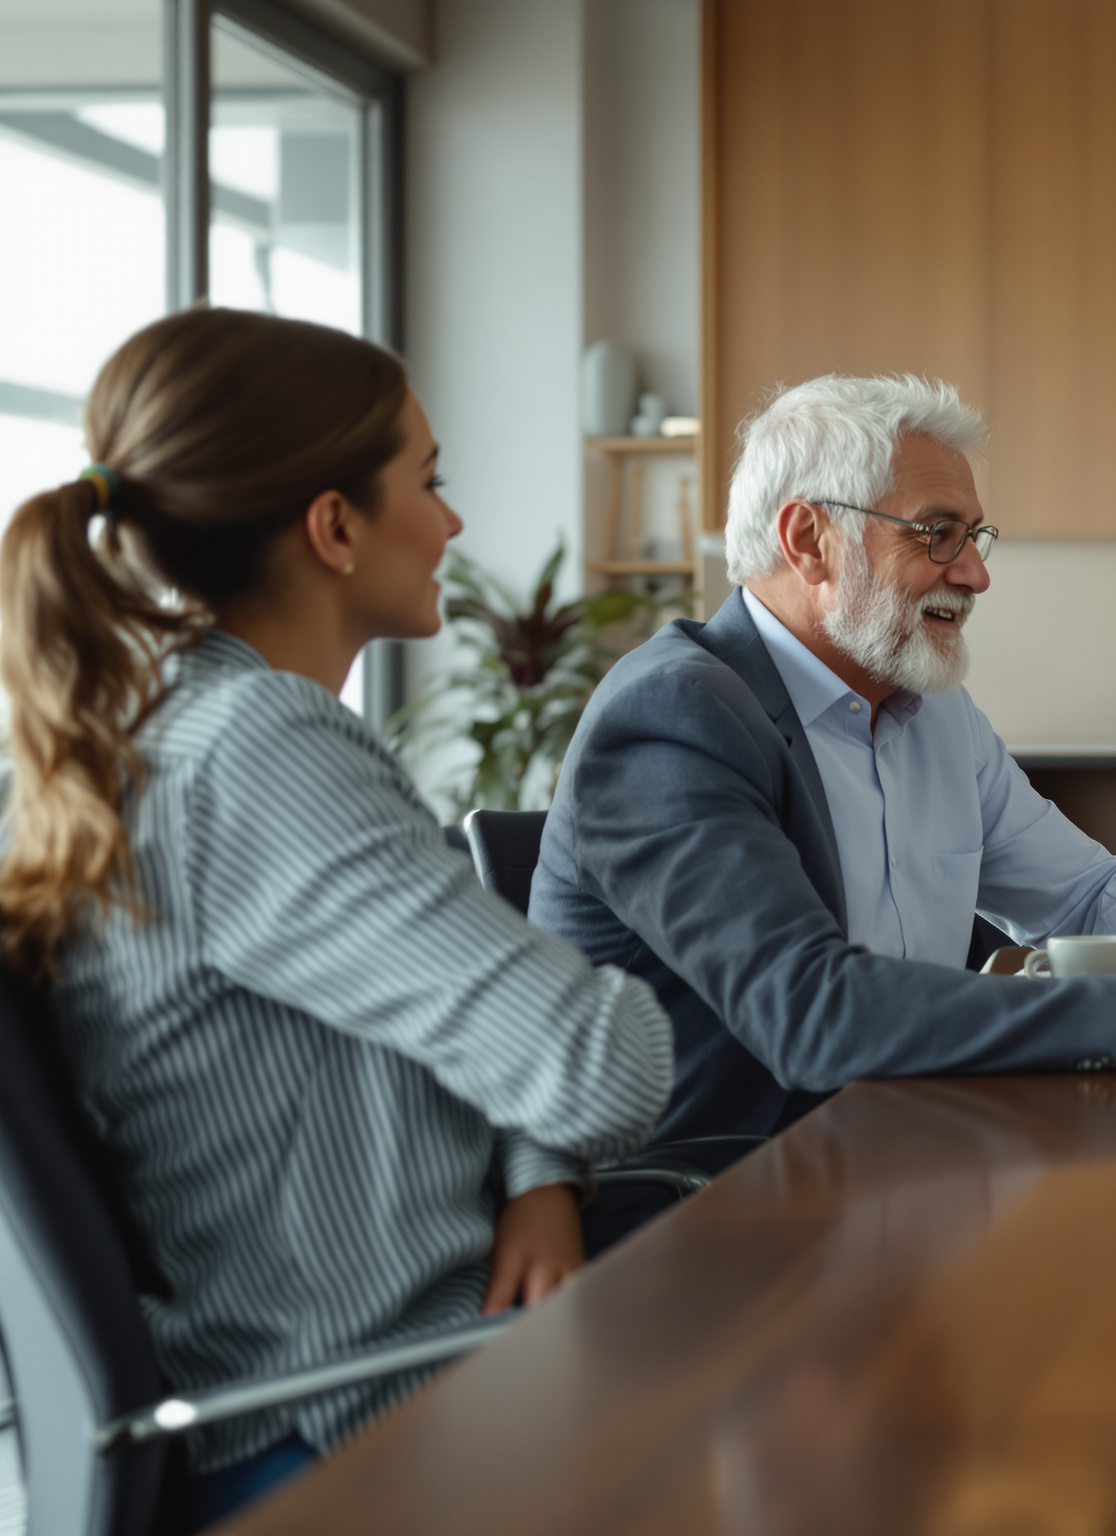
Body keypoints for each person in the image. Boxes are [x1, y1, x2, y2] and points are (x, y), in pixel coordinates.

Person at [0, 309, 673, 1523]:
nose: (455, 523)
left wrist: (538, 1177)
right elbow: (599, 1060)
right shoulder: (258, 754)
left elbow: (486, 1034)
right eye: (430, 480)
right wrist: (547, 1133)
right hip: (364, 1430)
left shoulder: (159, 731)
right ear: (334, 526)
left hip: (318, 1402)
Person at [533, 374, 1116, 1148]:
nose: (976, 576)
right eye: (935, 534)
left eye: (975, 538)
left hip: (907, 1154)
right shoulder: (676, 715)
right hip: (723, 1213)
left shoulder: (936, 716)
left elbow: (1089, 891)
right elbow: (814, 1016)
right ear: (808, 540)